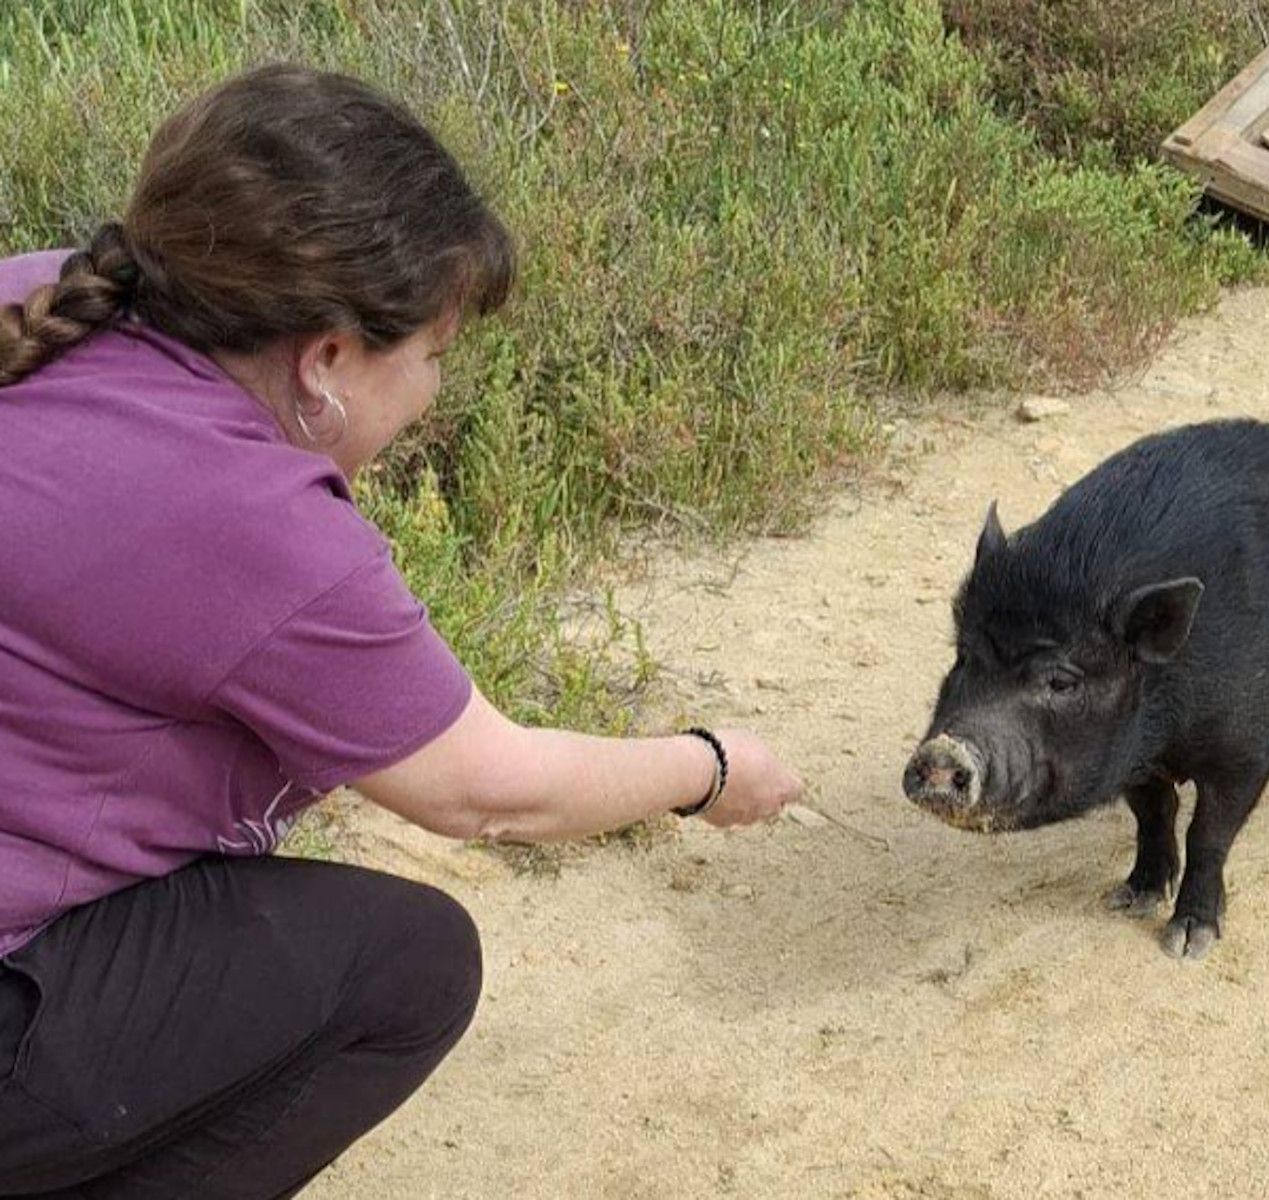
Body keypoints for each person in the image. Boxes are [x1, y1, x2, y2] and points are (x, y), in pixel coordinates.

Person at [0, 64, 802, 1199]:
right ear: (326, 360)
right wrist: (707, 768)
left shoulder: (41, 301)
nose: (433, 388)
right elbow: (490, 792)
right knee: (409, 966)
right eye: (433, 353)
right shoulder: (252, 522)